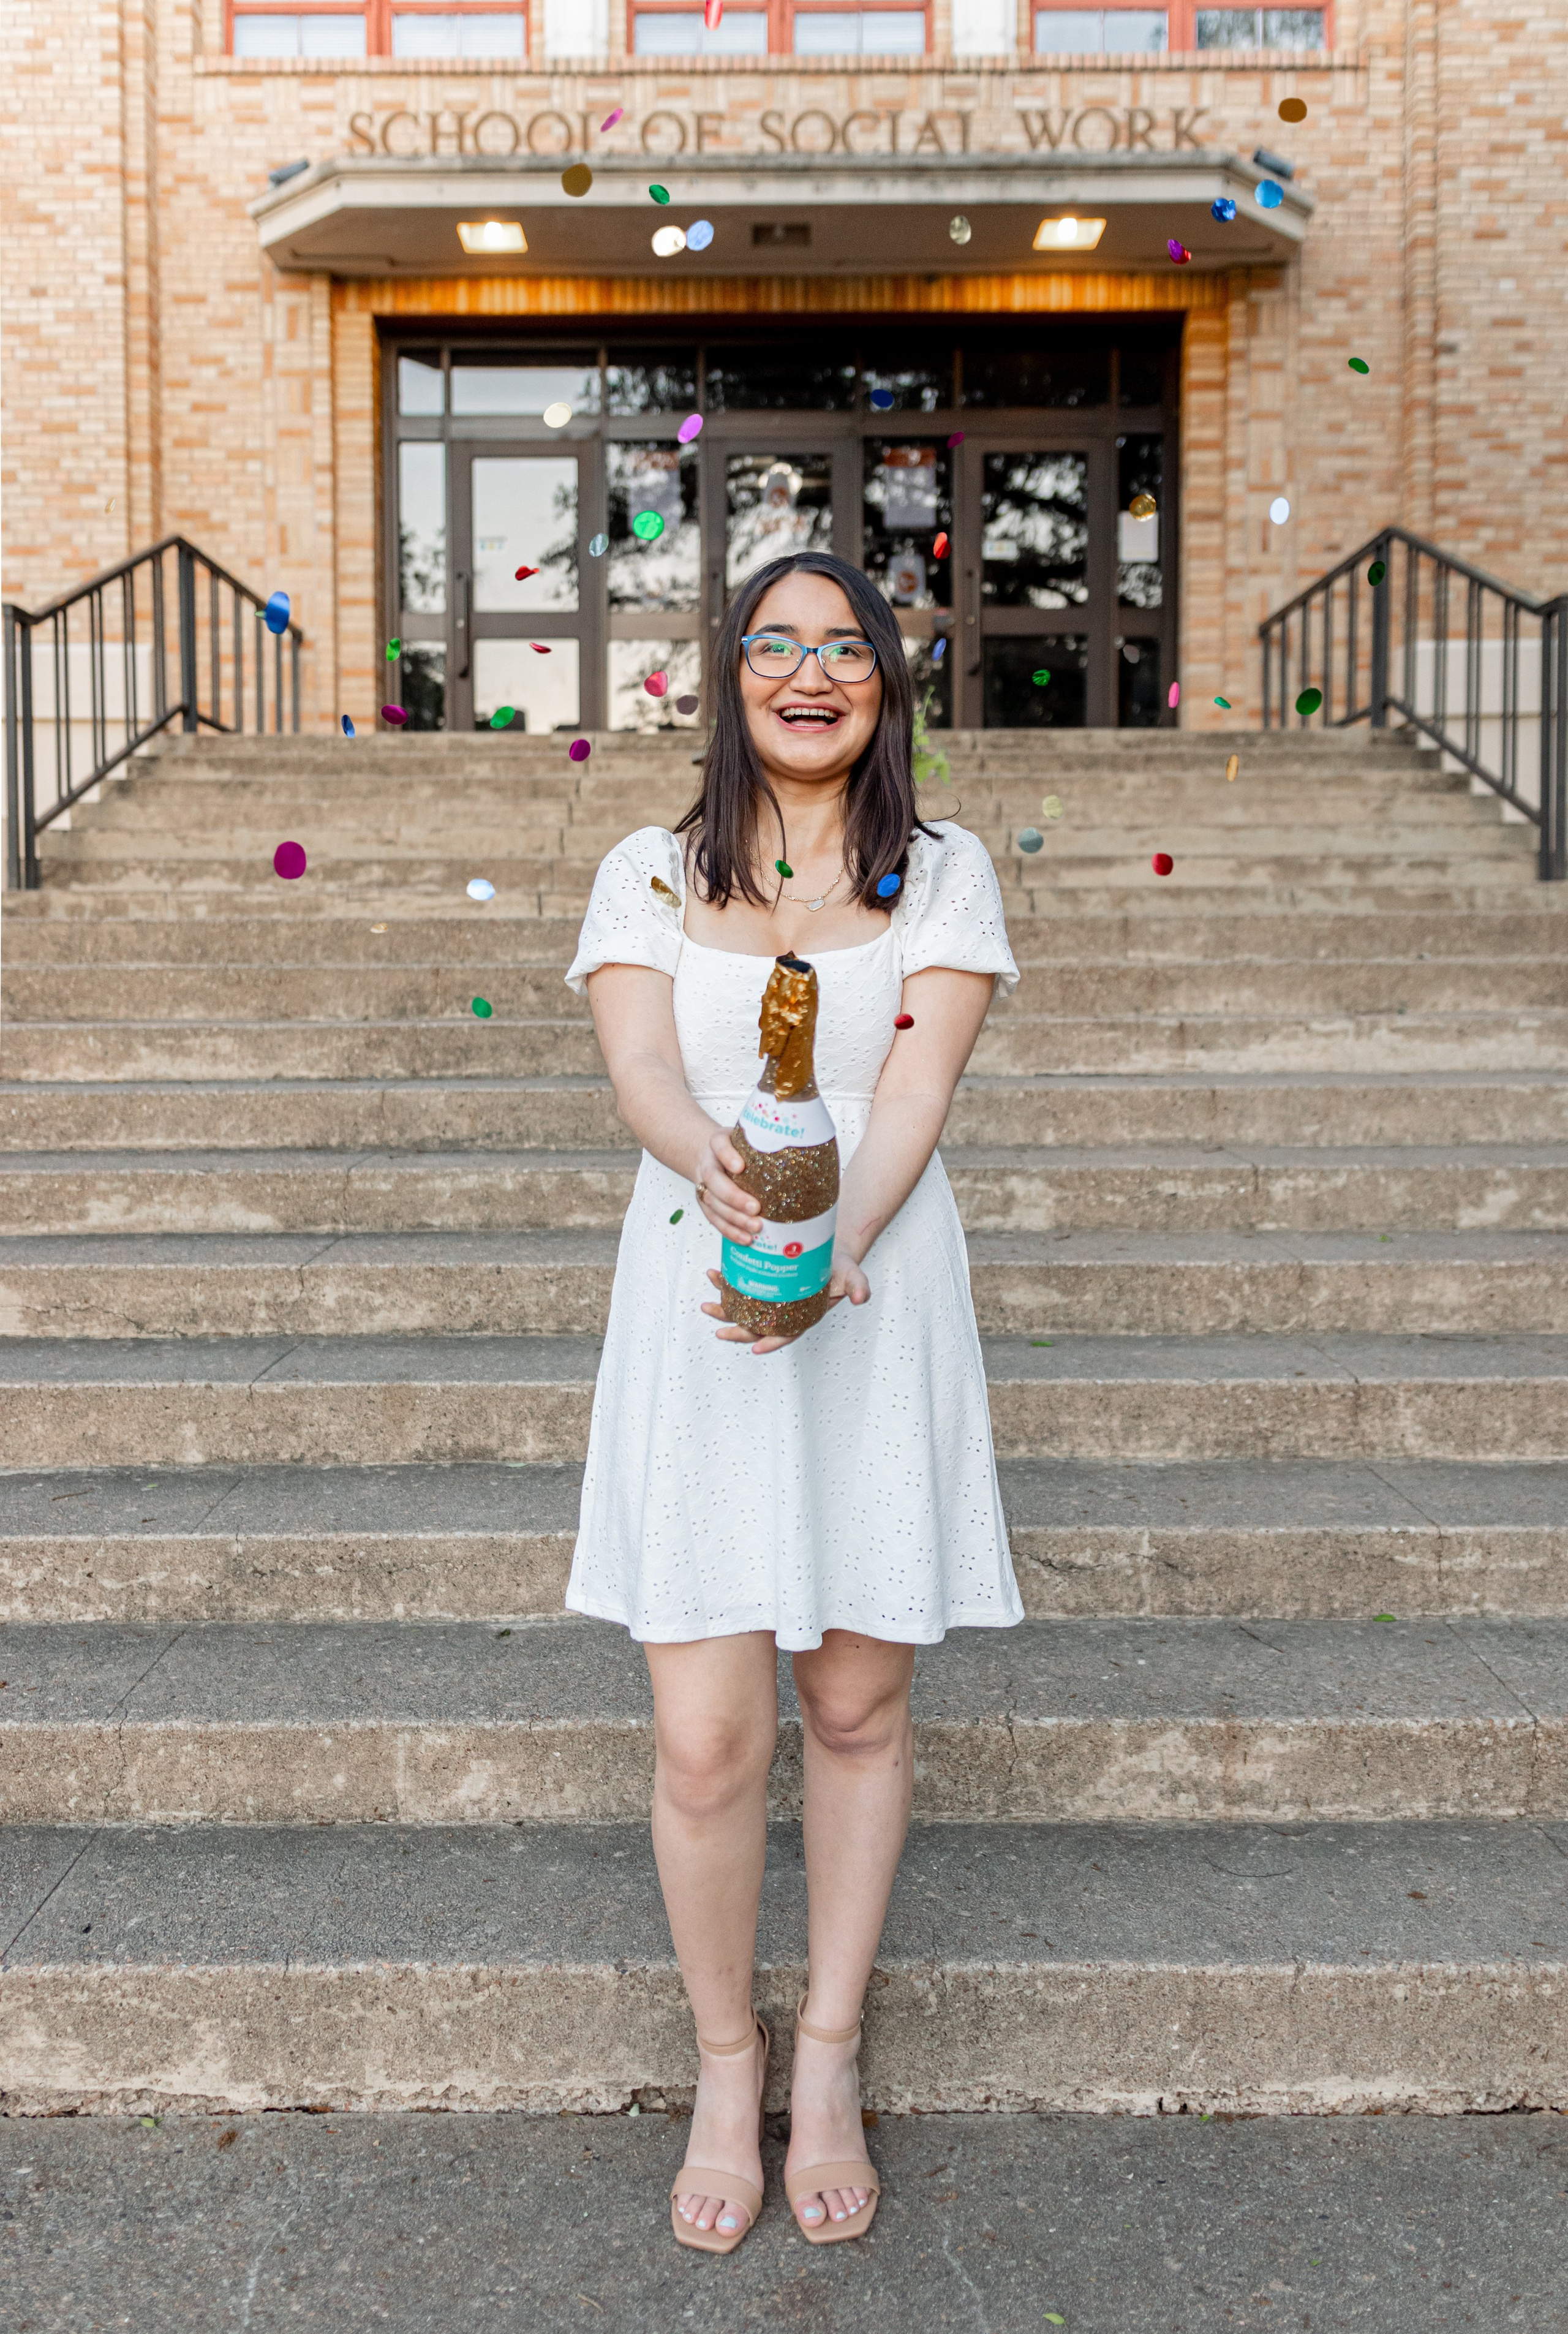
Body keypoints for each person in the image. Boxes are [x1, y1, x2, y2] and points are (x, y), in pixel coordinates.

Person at [565, 549, 1022, 2253]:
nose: (811, 672)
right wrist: (733, 1186)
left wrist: (836, 1246)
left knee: (852, 1708)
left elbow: (914, 1087)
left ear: (886, 679)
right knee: (703, 1736)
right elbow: (642, 1070)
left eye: (845, 646)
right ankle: (723, 2056)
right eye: (778, 645)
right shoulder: (646, 869)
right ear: (732, 674)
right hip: (699, 1287)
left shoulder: (944, 874)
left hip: (876, 1293)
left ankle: (825, 2055)